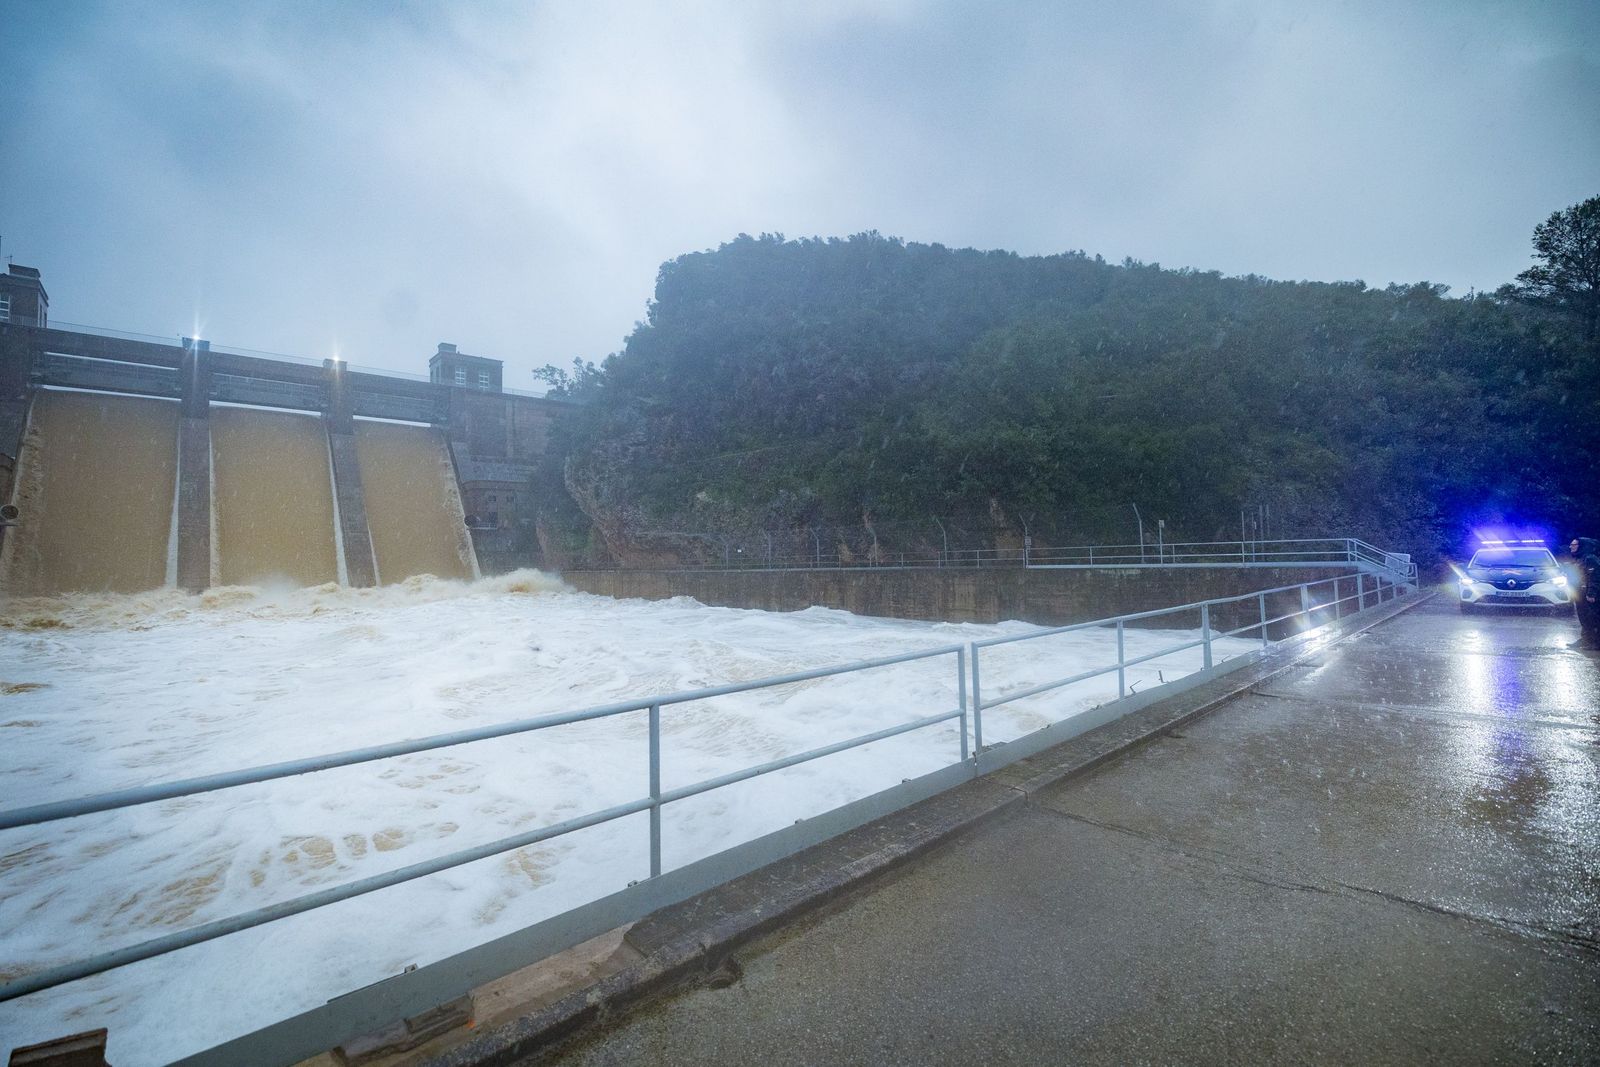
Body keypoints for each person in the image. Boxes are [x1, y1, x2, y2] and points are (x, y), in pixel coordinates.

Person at [1569, 537, 1600, 650]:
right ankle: (1586, 639)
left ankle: (1595, 642)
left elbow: (1595, 577)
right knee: (1583, 618)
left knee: (1592, 618)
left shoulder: (1590, 559)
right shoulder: (1579, 559)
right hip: (1580, 594)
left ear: (1581, 546)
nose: (1571, 547)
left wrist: (1591, 593)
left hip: (1588, 595)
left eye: (1574, 545)